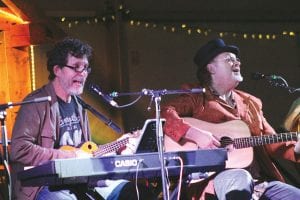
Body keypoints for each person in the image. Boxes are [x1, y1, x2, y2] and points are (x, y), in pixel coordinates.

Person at [10, 38, 154, 200]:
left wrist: (117, 147)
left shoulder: (79, 106)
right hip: (45, 186)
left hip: (81, 182)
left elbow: (86, 152)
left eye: (85, 68)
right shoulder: (36, 103)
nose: (82, 73)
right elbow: (19, 149)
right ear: (57, 69)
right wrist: (70, 156)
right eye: (76, 67)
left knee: (137, 193)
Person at [161, 38, 300, 200]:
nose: (237, 63)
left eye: (237, 59)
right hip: (216, 179)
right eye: (229, 59)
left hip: (259, 182)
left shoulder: (251, 103)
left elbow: (270, 141)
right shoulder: (196, 98)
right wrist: (194, 133)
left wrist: (295, 148)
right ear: (211, 68)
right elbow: (164, 113)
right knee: (240, 179)